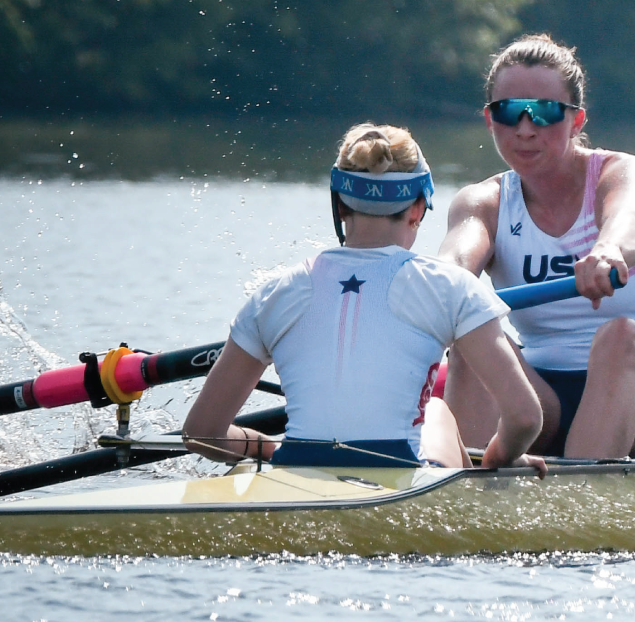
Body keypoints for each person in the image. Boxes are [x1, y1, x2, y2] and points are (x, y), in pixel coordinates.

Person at [184, 124, 543, 472]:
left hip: (295, 469)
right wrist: (501, 457)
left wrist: (270, 449)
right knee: (434, 411)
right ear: (418, 209)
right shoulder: (450, 286)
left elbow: (201, 433)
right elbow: (525, 416)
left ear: (340, 206)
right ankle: (470, 500)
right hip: (404, 481)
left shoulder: (275, 292)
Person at [436, 35, 635, 461]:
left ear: (577, 120)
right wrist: (425, 293)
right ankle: (460, 500)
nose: (525, 129)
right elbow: (451, 267)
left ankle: (582, 505)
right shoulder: (482, 202)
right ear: (490, 120)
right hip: (545, 397)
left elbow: (631, 220)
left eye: (545, 113)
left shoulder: (626, 174)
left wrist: (610, 251)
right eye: (509, 112)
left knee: (619, 336)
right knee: (468, 337)